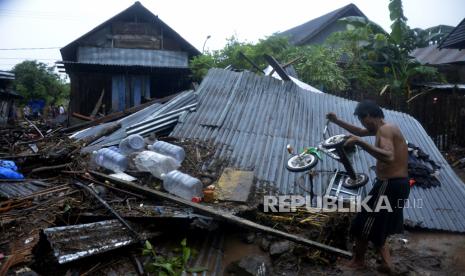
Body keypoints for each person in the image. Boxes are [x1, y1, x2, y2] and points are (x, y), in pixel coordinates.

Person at [326, 100, 410, 273]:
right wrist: (337, 121)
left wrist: (360, 143)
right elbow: (359, 133)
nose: (363, 124)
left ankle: (358, 262)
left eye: (363, 120)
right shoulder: (384, 128)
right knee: (379, 224)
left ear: (369, 116)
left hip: (389, 184)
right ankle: (387, 264)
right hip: (399, 184)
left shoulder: (385, 130)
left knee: (363, 221)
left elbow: (388, 156)